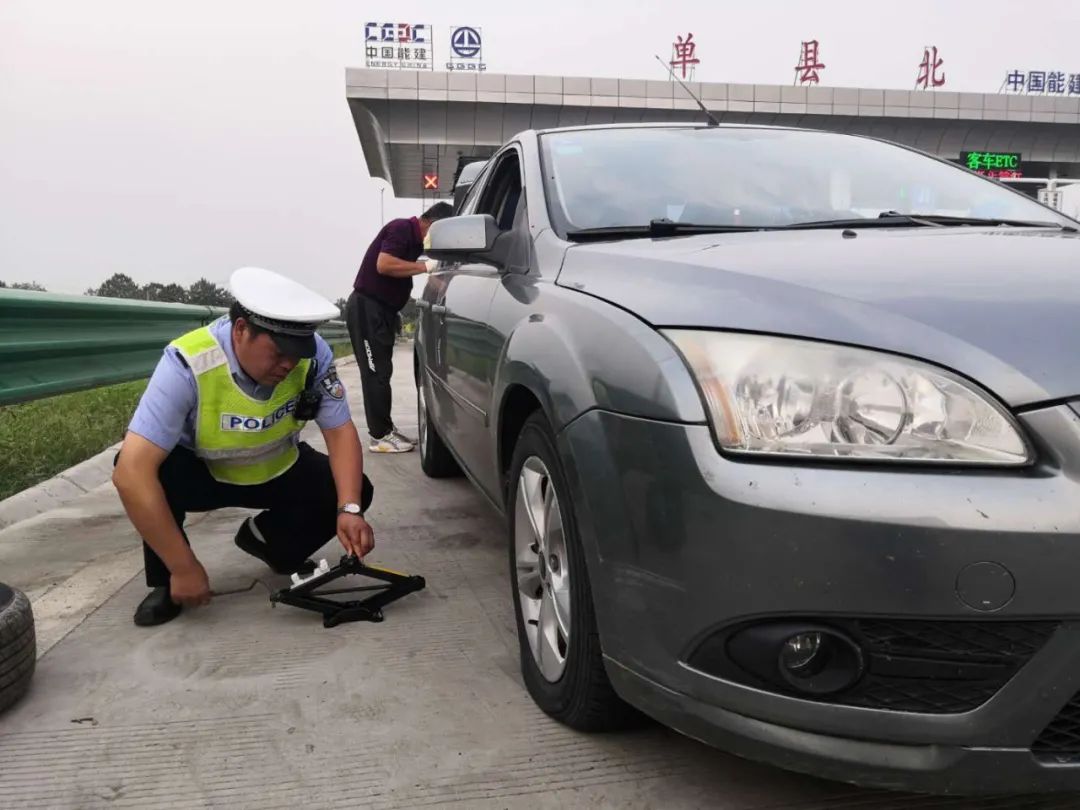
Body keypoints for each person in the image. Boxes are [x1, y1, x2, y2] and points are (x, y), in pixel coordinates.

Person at [112, 266, 376, 627]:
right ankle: (165, 580)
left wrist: (349, 508)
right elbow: (131, 473)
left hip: (274, 468)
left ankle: (272, 545)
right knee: (150, 470)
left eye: (297, 353)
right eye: (278, 352)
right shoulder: (187, 362)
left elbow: (341, 432)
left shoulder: (313, 359)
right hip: (202, 474)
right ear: (240, 330)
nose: (288, 364)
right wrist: (183, 566)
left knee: (355, 489)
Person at [347, 202, 454, 453]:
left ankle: (386, 430)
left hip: (382, 312)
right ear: (433, 224)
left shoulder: (415, 244)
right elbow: (383, 265)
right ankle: (379, 436)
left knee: (383, 372)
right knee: (375, 373)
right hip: (366, 309)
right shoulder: (401, 228)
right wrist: (425, 267)